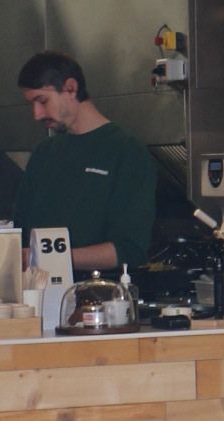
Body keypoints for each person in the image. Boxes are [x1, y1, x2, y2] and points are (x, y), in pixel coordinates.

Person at [10, 52, 158, 274]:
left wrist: (48, 258)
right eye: (32, 104)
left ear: (71, 88)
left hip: (100, 292)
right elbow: (19, 234)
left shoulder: (126, 151)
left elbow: (129, 249)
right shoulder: (44, 153)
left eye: (42, 101)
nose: (37, 114)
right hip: (38, 292)